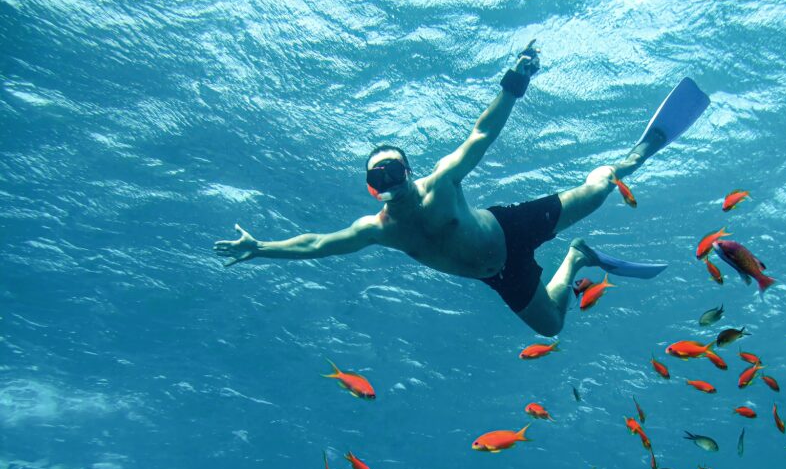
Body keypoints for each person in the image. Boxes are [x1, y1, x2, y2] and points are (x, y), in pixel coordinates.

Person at [214, 41, 707, 336]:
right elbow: (319, 244)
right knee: (552, 327)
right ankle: (576, 256)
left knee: (598, 194)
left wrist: (515, 83)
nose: (389, 182)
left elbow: (480, 134)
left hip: (511, 227)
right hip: (497, 275)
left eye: (394, 171)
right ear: (372, 189)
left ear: (409, 171)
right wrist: (262, 248)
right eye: (378, 178)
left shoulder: (442, 182)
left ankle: (634, 155)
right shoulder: (377, 230)